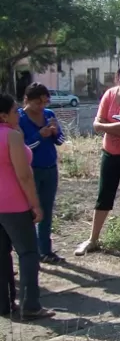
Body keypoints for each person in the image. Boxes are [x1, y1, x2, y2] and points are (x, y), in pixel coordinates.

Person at [76, 63, 120, 258]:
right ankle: (93, 239)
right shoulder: (110, 94)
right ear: (119, 77)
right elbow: (97, 123)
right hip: (109, 152)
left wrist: (107, 126)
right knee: (104, 196)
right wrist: (115, 127)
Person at [0, 93, 55, 320]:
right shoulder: (11, 137)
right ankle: (30, 305)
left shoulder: (15, 133)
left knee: (2, 254)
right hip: (14, 203)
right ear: (3, 115)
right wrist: (35, 205)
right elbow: (24, 175)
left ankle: (4, 304)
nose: (18, 114)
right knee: (28, 253)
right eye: (14, 111)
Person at [18, 83, 65, 264]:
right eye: (38, 103)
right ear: (27, 100)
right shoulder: (20, 119)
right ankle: (27, 251)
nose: (42, 107)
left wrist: (55, 132)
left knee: (45, 210)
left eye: (45, 102)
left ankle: (45, 250)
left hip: (50, 169)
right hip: (31, 171)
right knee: (28, 212)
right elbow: (22, 148)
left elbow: (60, 141)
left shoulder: (49, 115)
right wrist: (40, 135)